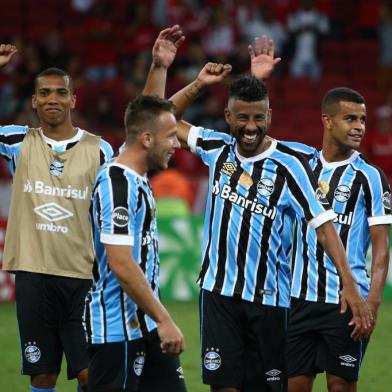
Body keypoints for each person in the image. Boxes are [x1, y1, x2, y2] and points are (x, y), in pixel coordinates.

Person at [144, 34, 372, 391]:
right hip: (218, 294)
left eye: (257, 118)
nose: (249, 128)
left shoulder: (290, 165)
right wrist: (199, 84)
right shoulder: (216, 148)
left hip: (270, 300)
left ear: (270, 116)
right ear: (227, 116)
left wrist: (350, 285)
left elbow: (326, 228)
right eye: (241, 119)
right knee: (224, 387)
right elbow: (157, 120)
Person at [0, 44, 113, 392]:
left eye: (61, 93)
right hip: (34, 275)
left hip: (83, 278)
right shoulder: (17, 140)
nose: (53, 99)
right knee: (42, 374)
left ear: (73, 100)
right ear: (33, 101)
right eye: (44, 93)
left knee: (90, 373)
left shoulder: (100, 149)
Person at [83, 27, 187, 392]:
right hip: (117, 333)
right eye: (171, 137)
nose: (177, 143)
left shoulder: (129, 166)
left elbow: (146, 116)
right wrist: (164, 318)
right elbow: (121, 263)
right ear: (147, 141)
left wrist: (159, 67)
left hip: (142, 324)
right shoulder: (118, 185)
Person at [283, 88, 392, 392]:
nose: (359, 126)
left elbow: (381, 247)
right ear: (327, 121)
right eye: (350, 119)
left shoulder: (370, 176)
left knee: (341, 385)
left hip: (346, 302)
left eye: (362, 119)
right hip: (298, 299)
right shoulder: (302, 166)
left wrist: (372, 302)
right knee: (294, 385)